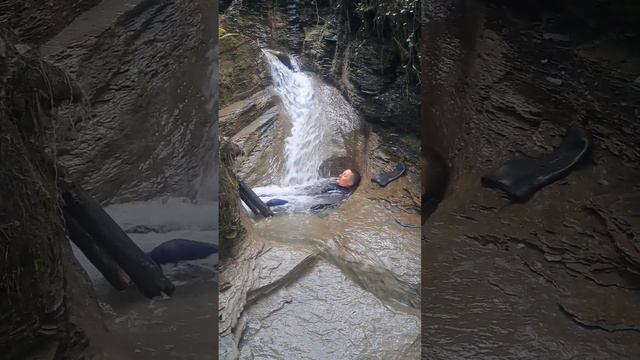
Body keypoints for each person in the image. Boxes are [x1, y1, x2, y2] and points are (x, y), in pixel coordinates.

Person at [261, 169, 361, 213]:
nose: (340, 175)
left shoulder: (340, 194)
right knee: (270, 193)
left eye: (344, 175)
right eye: (342, 173)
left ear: (350, 183)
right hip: (303, 193)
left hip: (306, 202)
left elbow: (315, 201)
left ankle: (257, 210)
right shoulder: (333, 182)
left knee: (274, 202)